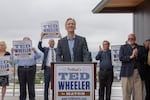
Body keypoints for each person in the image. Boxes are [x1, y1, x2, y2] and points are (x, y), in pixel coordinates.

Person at [119, 33, 145, 100]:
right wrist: (131, 57)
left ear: (135, 39)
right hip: (126, 73)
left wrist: (137, 56)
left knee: (139, 93)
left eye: (132, 38)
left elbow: (144, 58)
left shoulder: (141, 48)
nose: (131, 39)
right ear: (127, 39)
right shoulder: (123, 47)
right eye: (129, 38)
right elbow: (121, 58)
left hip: (138, 72)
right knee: (126, 92)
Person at [38, 33, 56, 100]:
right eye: (51, 41)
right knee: (46, 86)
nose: (52, 42)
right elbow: (39, 47)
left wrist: (60, 37)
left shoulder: (57, 50)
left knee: (54, 86)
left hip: (55, 70)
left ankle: (54, 98)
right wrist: (41, 37)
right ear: (48, 43)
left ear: (54, 43)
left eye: (53, 41)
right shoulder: (45, 49)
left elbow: (63, 47)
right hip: (47, 69)